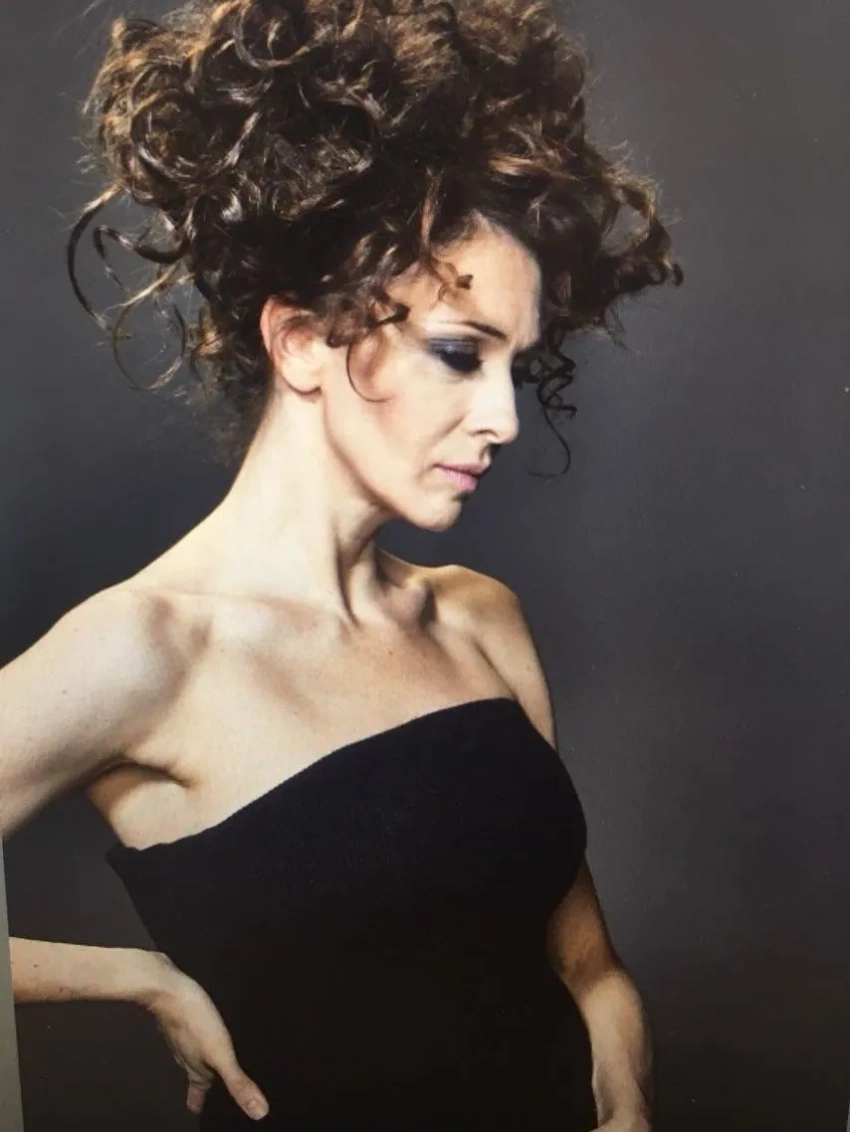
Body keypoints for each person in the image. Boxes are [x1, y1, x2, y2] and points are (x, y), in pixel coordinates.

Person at [1, 0, 683, 1129]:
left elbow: (586, 965)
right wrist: (131, 976)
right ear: (304, 340)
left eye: (515, 367)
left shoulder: (477, 619)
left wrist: (626, 1085)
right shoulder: (148, 647)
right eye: (459, 354)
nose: (504, 419)